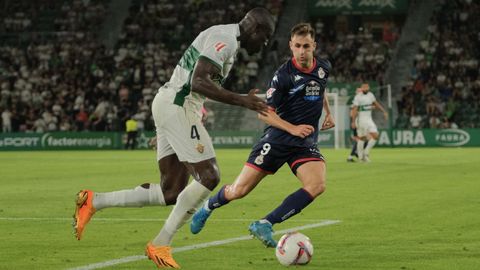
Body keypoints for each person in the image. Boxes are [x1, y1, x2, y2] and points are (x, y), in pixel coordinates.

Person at [72, 8, 275, 269]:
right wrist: (242, 101)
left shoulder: (226, 39)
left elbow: (195, 82)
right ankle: (160, 243)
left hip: (173, 106)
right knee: (209, 176)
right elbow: (198, 81)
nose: (266, 43)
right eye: (266, 36)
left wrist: (174, 130)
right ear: (255, 29)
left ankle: (94, 200)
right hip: (178, 106)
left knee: (171, 191)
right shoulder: (224, 39)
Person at [190, 23, 335, 248]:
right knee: (239, 190)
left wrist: (328, 113)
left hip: (304, 141)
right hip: (277, 138)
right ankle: (208, 207)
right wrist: (292, 128)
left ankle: (265, 223)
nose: (302, 51)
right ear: (291, 46)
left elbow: (319, 87)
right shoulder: (283, 75)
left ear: (314, 45)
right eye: (297, 46)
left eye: (306, 46)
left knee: (317, 184)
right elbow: (264, 114)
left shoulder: (323, 67)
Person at [351, 83, 388, 162]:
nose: (365, 89)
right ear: (361, 88)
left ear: (368, 88)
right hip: (361, 120)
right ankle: (361, 158)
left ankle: (366, 153)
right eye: (363, 87)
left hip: (369, 119)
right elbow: (354, 110)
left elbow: (376, 104)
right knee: (362, 138)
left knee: (375, 135)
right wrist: (353, 122)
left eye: (366, 87)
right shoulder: (358, 97)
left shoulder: (370, 95)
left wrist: (384, 111)